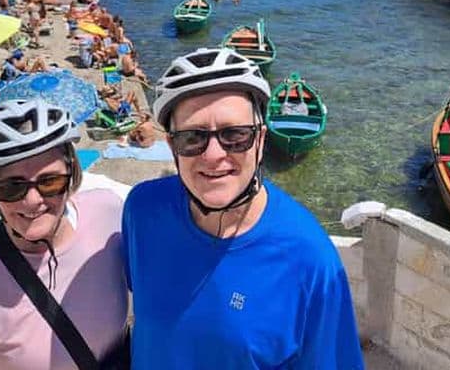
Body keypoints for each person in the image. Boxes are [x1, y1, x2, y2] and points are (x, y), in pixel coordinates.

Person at [121, 48, 364, 368]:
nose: (213, 155)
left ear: (260, 141)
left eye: (234, 135)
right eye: (192, 137)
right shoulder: (142, 211)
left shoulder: (310, 260)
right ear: (172, 146)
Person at [0, 99, 128, 369]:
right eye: (12, 187)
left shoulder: (109, 212)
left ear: (72, 174)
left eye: (49, 181)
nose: (32, 200)